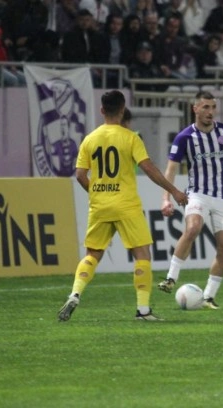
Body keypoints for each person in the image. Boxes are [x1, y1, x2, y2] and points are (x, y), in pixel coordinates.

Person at [57, 90, 189, 322]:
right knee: (142, 254)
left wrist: (96, 192)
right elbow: (148, 168)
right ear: (122, 109)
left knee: (93, 254)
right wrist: (174, 191)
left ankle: (75, 294)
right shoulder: (130, 138)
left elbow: (80, 175)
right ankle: (143, 310)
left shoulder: (90, 139)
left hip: (99, 206)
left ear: (102, 110)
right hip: (126, 205)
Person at [157, 91, 223, 309]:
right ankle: (170, 278)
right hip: (198, 193)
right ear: (195, 109)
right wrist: (166, 198)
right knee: (193, 228)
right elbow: (171, 170)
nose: (210, 112)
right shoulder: (185, 137)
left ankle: (208, 297)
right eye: (205, 107)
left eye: (213, 107)